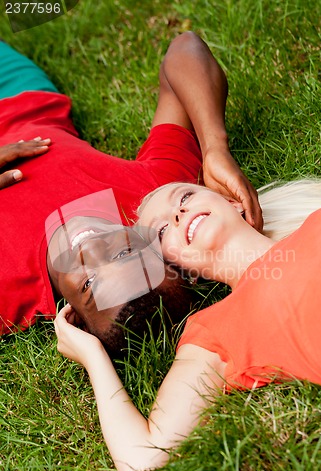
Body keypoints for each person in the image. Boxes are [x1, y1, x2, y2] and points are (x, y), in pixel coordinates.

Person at [55, 176, 321, 471]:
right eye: (162, 232)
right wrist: (93, 357)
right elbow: (143, 460)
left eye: (185, 197)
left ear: (233, 202)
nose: (178, 214)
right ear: (178, 271)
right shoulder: (216, 330)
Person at [0, 31, 262, 335]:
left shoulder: (8, 293)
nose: (92, 247)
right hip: (16, 96)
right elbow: (185, 48)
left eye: (89, 283)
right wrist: (214, 146)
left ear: (73, 318)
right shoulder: (152, 202)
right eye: (125, 254)